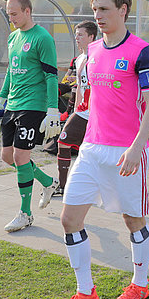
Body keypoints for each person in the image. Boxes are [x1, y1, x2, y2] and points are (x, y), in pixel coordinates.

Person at [54, 0, 149, 299]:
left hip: (124, 152)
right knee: (69, 219)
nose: (97, 15)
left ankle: (139, 284)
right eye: (95, 9)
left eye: (104, 9)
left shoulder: (142, 51)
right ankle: (85, 292)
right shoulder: (92, 52)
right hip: (91, 149)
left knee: (133, 221)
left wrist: (136, 148)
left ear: (123, 10)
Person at [0, 0, 60, 232]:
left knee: (20, 157)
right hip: (13, 105)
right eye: (9, 14)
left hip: (34, 105)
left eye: (14, 14)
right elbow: (11, 70)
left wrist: (52, 109)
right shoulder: (12, 38)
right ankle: (48, 182)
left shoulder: (43, 38)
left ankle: (25, 214)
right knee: (8, 158)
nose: (11, 18)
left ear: (27, 11)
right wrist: (1, 98)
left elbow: (51, 76)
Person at [55, 21, 97, 197]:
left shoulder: (99, 57)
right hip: (82, 112)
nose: (76, 38)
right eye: (76, 34)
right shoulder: (80, 58)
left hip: (98, 114)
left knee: (95, 153)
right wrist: (74, 111)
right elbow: (79, 86)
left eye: (80, 35)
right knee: (63, 142)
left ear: (91, 37)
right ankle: (63, 185)